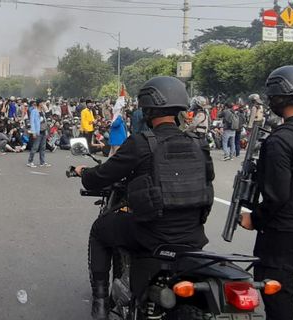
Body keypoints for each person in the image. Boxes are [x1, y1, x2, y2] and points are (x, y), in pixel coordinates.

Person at [74, 76, 214, 320]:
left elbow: (102, 175)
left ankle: (100, 303)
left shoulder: (142, 142)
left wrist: (84, 172)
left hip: (151, 233)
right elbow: (206, 185)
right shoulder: (198, 143)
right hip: (193, 235)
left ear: (148, 108)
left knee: (99, 231)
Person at [240, 65, 293, 320]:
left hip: (283, 227)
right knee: (284, 281)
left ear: (279, 96)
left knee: (275, 290)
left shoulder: (280, 140)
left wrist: (253, 218)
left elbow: (277, 195)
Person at [27, 101, 50, 168]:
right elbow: (32, 122)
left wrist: (45, 108)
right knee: (35, 147)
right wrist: (33, 132)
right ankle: (30, 161)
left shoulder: (42, 111)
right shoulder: (34, 111)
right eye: (42, 102)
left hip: (43, 131)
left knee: (43, 148)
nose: (43, 104)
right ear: (39, 103)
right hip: (38, 131)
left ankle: (42, 162)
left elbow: (48, 116)